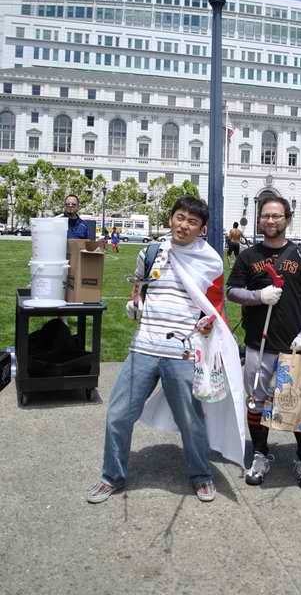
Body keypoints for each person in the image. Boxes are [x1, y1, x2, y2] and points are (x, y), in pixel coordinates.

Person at [87, 196, 245, 505]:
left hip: (182, 352)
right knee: (118, 414)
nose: (184, 225)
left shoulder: (211, 261)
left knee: (191, 420)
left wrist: (208, 324)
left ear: (202, 228)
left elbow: (214, 307)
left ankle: (201, 475)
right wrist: (134, 304)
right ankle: (111, 476)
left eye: (192, 221)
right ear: (171, 218)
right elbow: (138, 289)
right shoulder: (150, 252)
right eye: (180, 217)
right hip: (144, 348)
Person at [226, 195, 301, 489]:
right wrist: (258, 296)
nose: (270, 220)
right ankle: (260, 453)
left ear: (287, 219)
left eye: (276, 216)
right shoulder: (248, 256)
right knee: (256, 402)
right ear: (259, 220)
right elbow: (232, 291)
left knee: (300, 405)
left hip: (293, 345)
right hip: (259, 343)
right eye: (266, 215)